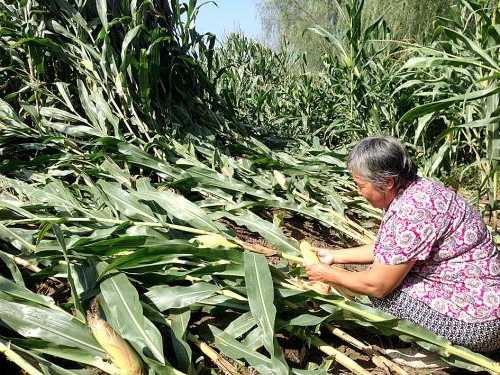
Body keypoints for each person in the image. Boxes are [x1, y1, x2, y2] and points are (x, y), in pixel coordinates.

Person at [305, 136, 500, 352]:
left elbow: (377, 286)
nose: (359, 192)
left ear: (387, 182)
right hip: (487, 305)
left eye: (360, 185)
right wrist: (335, 257)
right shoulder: (419, 190)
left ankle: (433, 351)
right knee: (379, 275)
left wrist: (327, 275)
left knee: (384, 295)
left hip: (479, 324)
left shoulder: (412, 211)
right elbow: (392, 248)